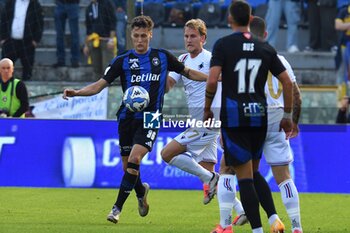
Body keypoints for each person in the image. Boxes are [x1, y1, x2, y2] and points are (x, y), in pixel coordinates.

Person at [63, 15, 209, 224]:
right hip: (126, 117)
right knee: (128, 167)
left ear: (150, 35)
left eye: (144, 36)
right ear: (131, 36)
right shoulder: (122, 60)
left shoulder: (163, 57)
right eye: (136, 36)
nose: (140, 40)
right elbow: (99, 85)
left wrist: (212, 77)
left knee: (135, 159)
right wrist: (76, 92)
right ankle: (141, 193)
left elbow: (188, 72)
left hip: (151, 116)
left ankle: (116, 208)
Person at [204, 1, 293, 233]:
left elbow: (212, 80)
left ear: (229, 19)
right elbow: (286, 82)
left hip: (235, 118)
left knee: (242, 177)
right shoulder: (265, 47)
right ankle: (273, 218)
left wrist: (206, 108)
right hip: (259, 118)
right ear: (250, 17)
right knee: (252, 172)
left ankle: (256, 230)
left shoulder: (223, 45)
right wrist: (288, 115)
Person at [162, 18, 227, 205]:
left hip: (208, 121)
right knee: (207, 176)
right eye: (186, 36)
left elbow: (224, 89)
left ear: (203, 38)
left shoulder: (211, 59)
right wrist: (158, 72)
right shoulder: (181, 60)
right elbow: (168, 86)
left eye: (193, 36)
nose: (188, 40)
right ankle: (239, 212)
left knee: (167, 154)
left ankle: (213, 179)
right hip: (198, 122)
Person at [252, 16, 303, 233]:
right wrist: (293, 121)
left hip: (252, 121)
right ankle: (297, 227)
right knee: (284, 177)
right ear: (266, 34)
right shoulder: (281, 60)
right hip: (278, 120)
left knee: (241, 172)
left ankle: (229, 222)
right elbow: (296, 94)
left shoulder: (244, 62)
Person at [0, 0, 44, 81]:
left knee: (27, 69)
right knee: (5, 69)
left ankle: (24, 89)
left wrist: (35, 40)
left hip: (27, 42)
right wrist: (2, 38)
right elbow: (3, 19)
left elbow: (39, 23)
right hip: (10, 41)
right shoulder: (10, 3)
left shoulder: (35, 4)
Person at [83, 0, 117, 76]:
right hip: (93, 41)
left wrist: (111, 39)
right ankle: (98, 87)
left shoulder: (107, 3)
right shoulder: (89, 8)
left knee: (107, 68)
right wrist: (86, 45)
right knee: (96, 68)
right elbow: (88, 29)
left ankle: (107, 87)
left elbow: (113, 22)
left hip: (106, 40)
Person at [52, 0, 81, 68]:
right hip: (60, 4)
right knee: (59, 35)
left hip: (73, 4)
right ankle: (61, 59)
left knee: (74, 35)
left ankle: (75, 60)